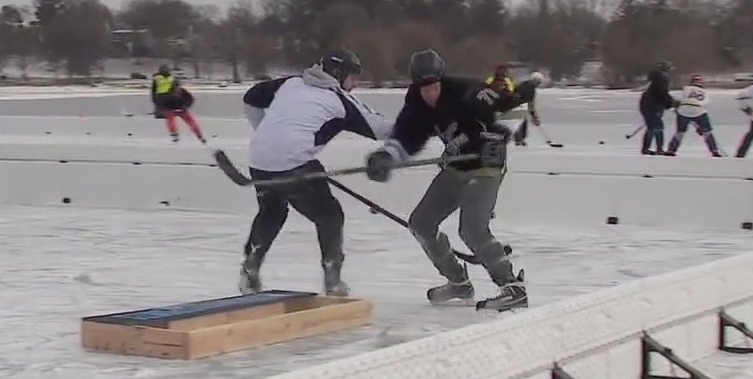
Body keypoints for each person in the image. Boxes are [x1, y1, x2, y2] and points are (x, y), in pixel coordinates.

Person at [364, 49, 537, 312]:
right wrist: (386, 156)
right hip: (456, 168)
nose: (429, 93)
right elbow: (407, 136)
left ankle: (512, 286)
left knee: (471, 229)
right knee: (421, 223)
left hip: (485, 168)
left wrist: (499, 138)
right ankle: (458, 281)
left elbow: (515, 107)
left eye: (433, 86)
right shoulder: (416, 104)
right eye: (423, 87)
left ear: (441, 80)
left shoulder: (468, 91)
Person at [238, 50, 393, 297]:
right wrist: (423, 126)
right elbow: (382, 129)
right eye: (352, 78)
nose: (354, 84)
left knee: (272, 211)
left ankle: (250, 267)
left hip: (259, 160)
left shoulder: (290, 83)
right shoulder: (338, 100)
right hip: (295, 163)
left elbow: (251, 98)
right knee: (330, 216)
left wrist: (266, 134)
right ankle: (333, 280)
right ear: (337, 74)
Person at [664, 74, 722, 157]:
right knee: (707, 132)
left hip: (683, 110)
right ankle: (714, 150)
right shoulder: (704, 92)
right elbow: (705, 103)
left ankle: (671, 150)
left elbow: (676, 99)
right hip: (699, 110)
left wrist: (675, 107)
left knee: (680, 132)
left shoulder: (685, 89)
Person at [151, 64, 205, 143]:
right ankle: (199, 135)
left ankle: (174, 134)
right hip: (177, 105)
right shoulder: (174, 82)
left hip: (166, 104)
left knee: (170, 118)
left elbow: (154, 95)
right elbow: (189, 98)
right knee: (188, 119)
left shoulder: (157, 79)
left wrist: (158, 107)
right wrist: (186, 106)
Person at [638, 61, 677, 155]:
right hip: (652, 106)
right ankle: (657, 149)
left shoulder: (656, 79)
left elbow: (661, 94)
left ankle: (648, 148)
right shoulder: (661, 79)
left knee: (653, 127)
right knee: (656, 127)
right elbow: (662, 94)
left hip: (648, 105)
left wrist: (669, 103)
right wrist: (671, 103)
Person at [511, 71, 544, 146]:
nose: (538, 84)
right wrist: (533, 115)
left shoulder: (525, 84)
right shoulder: (530, 88)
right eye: (538, 82)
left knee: (521, 122)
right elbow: (529, 102)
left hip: (516, 105)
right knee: (522, 122)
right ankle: (519, 139)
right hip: (519, 105)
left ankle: (519, 138)